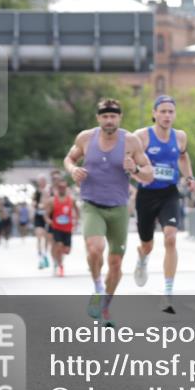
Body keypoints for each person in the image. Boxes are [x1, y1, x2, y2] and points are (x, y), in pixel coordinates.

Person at [63, 97, 153, 327]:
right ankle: (97, 287)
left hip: (119, 208)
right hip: (92, 204)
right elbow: (69, 158)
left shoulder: (131, 141)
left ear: (119, 118)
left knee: (115, 264)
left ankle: (105, 306)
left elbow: (149, 174)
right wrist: (73, 170)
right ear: (98, 118)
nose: (109, 120)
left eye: (113, 116)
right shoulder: (85, 138)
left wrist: (135, 169)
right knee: (95, 249)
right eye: (105, 116)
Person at [132, 95, 195, 313]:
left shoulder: (180, 136)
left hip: (169, 193)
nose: (167, 115)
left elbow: (182, 157)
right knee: (148, 245)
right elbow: (128, 162)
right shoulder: (141, 137)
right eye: (163, 111)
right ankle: (142, 258)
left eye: (171, 111)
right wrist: (139, 174)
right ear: (154, 114)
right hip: (146, 195)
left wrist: (189, 177)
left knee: (170, 238)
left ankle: (168, 293)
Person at [45, 176, 79, 277]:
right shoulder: (52, 200)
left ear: (66, 188)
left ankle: (58, 261)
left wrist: (76, 221)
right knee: (58, 245)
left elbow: (77, 211)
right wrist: (48, 220)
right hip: (57, 228)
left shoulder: (71, 200)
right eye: (60, 187)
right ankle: (60, 265)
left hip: (68, 228)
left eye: (64, 187)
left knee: (67, 251)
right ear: (57, 188)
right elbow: (46, 214)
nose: (62, 189)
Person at [33, 176, 51, 269]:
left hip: (47, 216)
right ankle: (40, 258)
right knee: (39, 236)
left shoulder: (49, 190)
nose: (42, 182)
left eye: (43, 180)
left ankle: (45, 254)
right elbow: (33, 203)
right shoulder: (36, 192)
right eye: (40, 181)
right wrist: (37, 205)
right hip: (39, 217)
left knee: (47, 238)